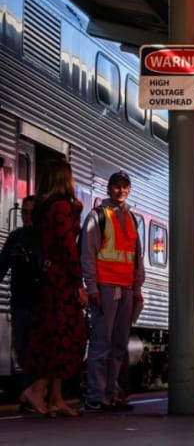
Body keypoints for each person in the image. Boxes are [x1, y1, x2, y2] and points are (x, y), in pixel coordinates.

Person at [19, 160, 87, 417]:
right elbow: (67, 247)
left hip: (50, 279)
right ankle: (38, 389)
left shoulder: (46, 207)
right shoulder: (60, 207)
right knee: (69, 337)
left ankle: (57, 397)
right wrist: (78, 283)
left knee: (54, 337)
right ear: (63, 178)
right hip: (60, 281)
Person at [81, 170, 144, 413]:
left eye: (124, 186)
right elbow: (88, 253)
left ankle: (110, 394)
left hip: (126, 288)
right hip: (105, 288)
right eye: (116, 186)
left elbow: (136, 256)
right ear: (109, 189)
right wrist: (92, 287)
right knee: (101, 343)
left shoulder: (131, 218)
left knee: (118, 345)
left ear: (129, 189)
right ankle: (96, 396)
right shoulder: (98, 216)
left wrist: (137, 287)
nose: (121, 190)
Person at [0, 195, 39, 411]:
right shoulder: (16, 238)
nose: (27, 217)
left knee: (34, 349)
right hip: (20, 302)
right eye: (24, 212)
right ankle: (28, 392)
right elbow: (2, 264)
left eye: (32, 213)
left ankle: (29, 394)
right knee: (22, 348)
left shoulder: (44, 239)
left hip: (40, 303)